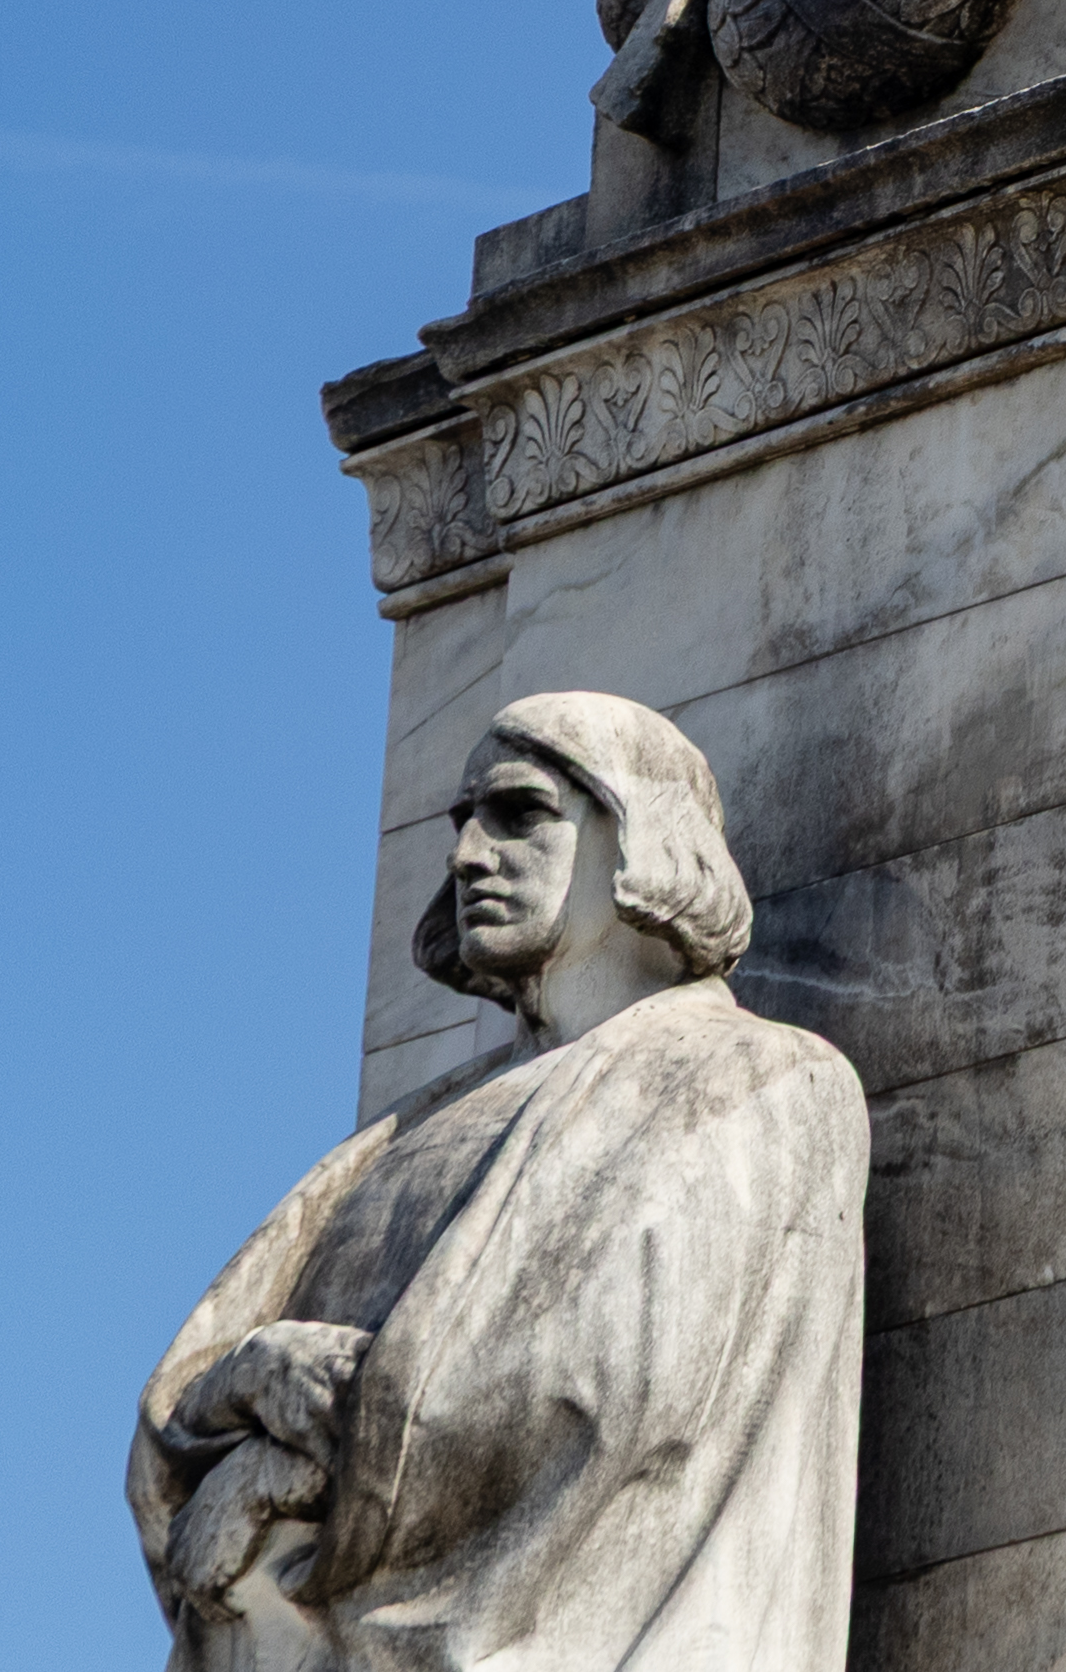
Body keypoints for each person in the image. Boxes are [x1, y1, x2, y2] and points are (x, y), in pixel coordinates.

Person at [134, 692, 868, 1672]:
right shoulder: (411, 1129)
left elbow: (591, 1393)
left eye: (521, 813)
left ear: (637, 833)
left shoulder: (757, 1079)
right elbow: (183, 1415)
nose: (469, 855)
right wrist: (248, 1375)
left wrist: (276, 1457)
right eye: (463, 823)